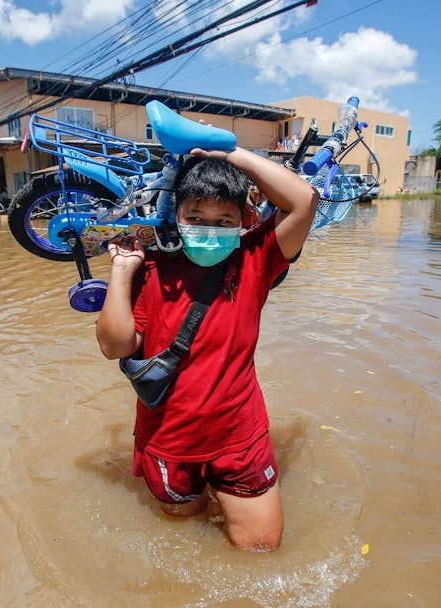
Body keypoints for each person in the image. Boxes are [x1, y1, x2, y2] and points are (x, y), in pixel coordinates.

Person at [96, 146, 317, 551]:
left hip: (241, 439)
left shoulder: (256, 256)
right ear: (176, 216)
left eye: (223, 220)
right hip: (169, 444)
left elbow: (304, 200)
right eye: (195, 219)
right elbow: (115, 346)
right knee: (183, 536)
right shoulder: (150, 267)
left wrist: (230, 154)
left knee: (261, 548)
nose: (208, 229)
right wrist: (122, 271)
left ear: (243, 221)